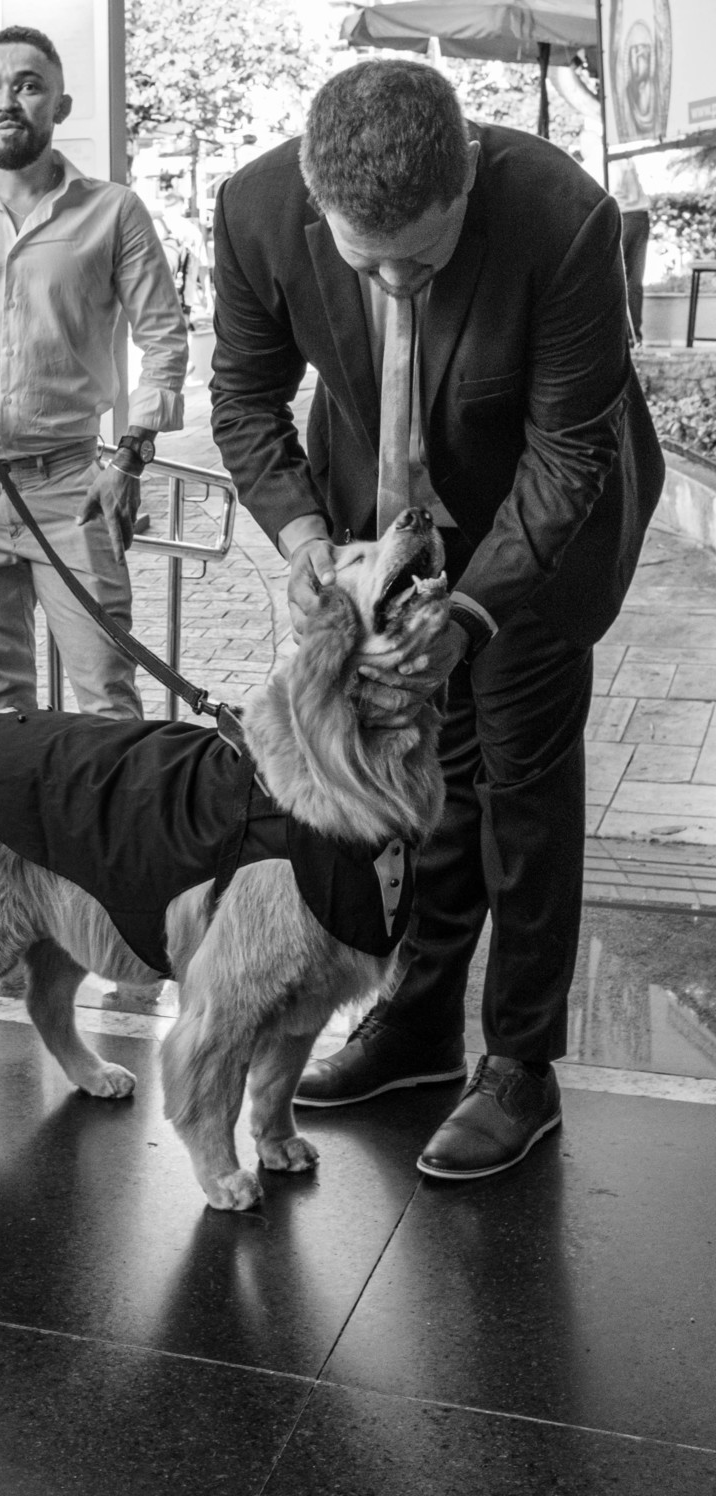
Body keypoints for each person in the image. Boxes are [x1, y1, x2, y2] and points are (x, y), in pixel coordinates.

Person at [210, 58, 664, 1181]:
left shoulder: (562, 220)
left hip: (538, 531)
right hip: (376, 510)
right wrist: (312, 541)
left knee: (520, 785)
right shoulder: (257, 209)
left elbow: (569, 455)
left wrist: (468, 609)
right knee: (421, 778)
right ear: (319, 206)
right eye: (373, 263)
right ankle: (415, 1022)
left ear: (465, 175)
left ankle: (520, 1063)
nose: (402, 285)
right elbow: (244, 400)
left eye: (425, 256)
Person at [0, 24, 188, 718]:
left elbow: (164, 339)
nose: (7, 100)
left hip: (73, 486)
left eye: (28, 85)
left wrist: (133, 456)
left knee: (108, 690)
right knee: (1, 695)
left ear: (60, 105)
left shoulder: (113, 212)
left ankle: (114, 827)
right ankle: (12, 829)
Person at [611, 158, 650, 346]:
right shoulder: (628, 159)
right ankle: (634, 336)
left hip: (623, 215)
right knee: (634, 279)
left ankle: (624, 336)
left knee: (616, 276)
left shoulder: (611, 159)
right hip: (640, 216)